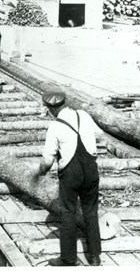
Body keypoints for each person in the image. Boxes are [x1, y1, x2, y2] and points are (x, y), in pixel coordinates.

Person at [35, 90, 101, 267]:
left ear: (51, 109)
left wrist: (40, 172)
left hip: (71, 175)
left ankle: (68, 258)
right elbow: (100, 136)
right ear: (65, 103)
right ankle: (95, 257)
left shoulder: (55, 126)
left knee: (68, 213)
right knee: (91, 211)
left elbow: (48, 160)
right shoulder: (84, 115)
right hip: (91, 170)